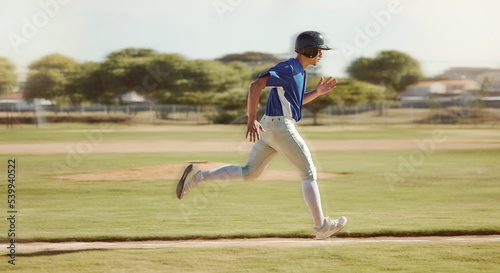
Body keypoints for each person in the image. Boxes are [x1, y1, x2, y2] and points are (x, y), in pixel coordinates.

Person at [177, 31, 346, 240]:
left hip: (271, 127)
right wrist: (250, 119)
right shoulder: (288, 68)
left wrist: (317, 93)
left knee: (250, 173)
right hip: (280, 126)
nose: (321, 54)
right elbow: (256, 85)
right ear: (309, 50)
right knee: (308, 171)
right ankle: (321, 227)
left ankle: (196, 178)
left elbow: (295, 102)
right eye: (319, 50)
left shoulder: (300, 72)